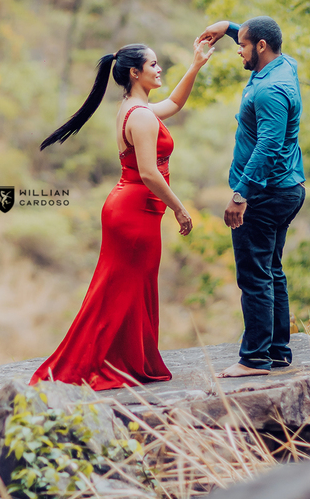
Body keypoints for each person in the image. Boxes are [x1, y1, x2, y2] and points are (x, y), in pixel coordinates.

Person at [30, 38, 214, 390]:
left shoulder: (134, 108)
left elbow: (175, 103)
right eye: (154, 65)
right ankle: (101, 363)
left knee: (128, 288)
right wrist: (180, 208)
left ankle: (127, 361)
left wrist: (196, 66)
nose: (159, 70)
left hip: (131, 208)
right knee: (120, 290)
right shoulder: (141, 117)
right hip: (134, 211)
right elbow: (148, 173)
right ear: (135, 72)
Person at [197, 17, 305, 378]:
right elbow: (257, 31)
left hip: (265, 193)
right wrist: (227, 26)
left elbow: (269, 145)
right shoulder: (282, 63)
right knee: (271, 271)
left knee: (255, 276)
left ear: (260, 47)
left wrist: (241, 194)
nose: (237, 51)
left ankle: (255, 358)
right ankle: (278, 352)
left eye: (241, 45)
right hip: (285, 188)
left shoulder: (270, 90)